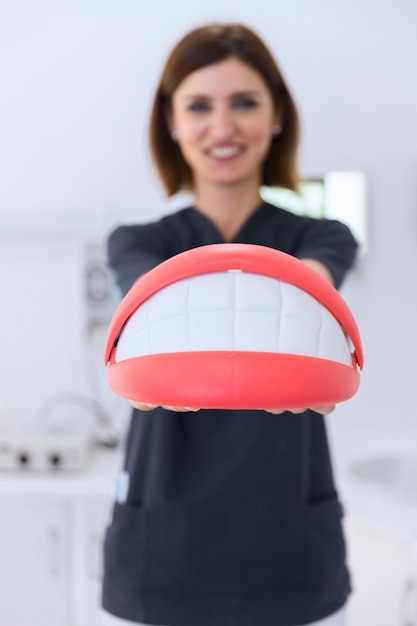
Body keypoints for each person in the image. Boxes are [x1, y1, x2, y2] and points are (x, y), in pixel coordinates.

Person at [102, 23, 358, 626]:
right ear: (172, 122)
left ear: (276, 117)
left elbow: (310, 288)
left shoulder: (322, 236)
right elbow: (147, 310)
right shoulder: (136, 243)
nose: (222, 127)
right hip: (161, 563)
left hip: (293, 563)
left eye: (244, 103)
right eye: (199, 106)